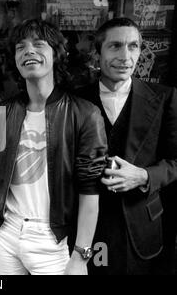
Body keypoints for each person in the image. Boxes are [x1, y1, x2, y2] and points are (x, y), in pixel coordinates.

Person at [0, 19, 108, 275]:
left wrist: (81, 255)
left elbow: (90, 189)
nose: (28, 51)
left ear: (56, 54)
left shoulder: (85, 114)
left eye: (38, 44)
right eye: (21, 47)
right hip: (5, 231)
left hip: (53, 238)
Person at [76, 17, 177, 275]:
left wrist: (144, 175)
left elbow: (175, 161)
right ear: (97, 53)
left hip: (141, 226)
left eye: (133, 47)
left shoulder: (165, 97)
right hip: (86, 228)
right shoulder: (75, 100)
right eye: (115, 46)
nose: (125, 55)